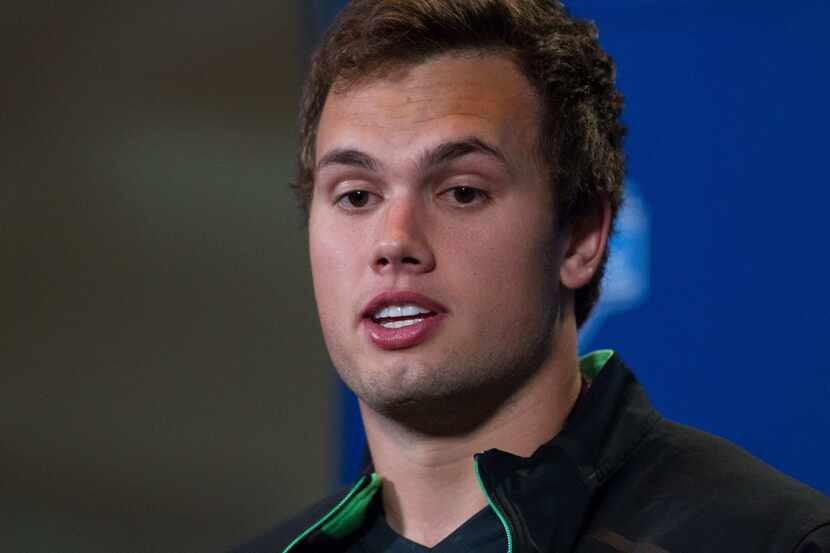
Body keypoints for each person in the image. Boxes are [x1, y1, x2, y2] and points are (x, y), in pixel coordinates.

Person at [232, 1, 830, 551]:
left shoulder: (773, 539)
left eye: (462, 192)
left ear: (581, 238)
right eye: (357, 195)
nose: (394, 242)